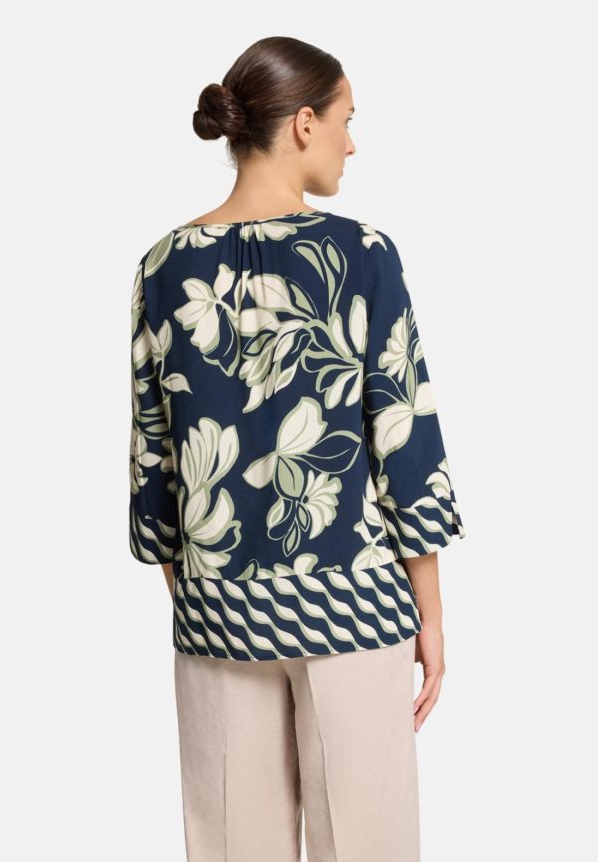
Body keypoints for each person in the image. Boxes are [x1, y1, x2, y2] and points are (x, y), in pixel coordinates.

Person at [128, 35, 466, 862]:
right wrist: (431, 615)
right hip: (354, 607)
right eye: (347, 120)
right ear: (304, 123)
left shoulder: (163, 266)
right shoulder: (362, 255)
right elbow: (405, 439)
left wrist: (203, 598)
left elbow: (155, 461)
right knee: (368, 846)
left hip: (215, 611)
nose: (352, 144)